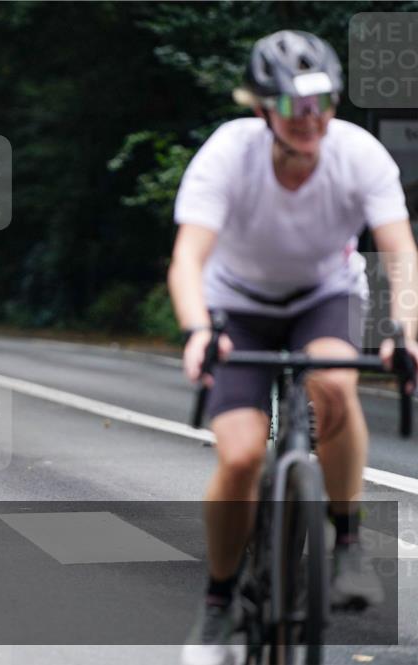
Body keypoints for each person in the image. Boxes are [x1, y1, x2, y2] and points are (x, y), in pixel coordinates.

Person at [169, 31, 418, 665]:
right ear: (262, 110)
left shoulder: (358, 155)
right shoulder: (229, 152)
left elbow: (400, 252)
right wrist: (200, 329)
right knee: (242, 455)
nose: (310, 120)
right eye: (292, 107)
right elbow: (188, 258)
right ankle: (220, 601)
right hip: (238, 306)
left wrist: (407, 333)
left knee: (334, 383)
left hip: (322, 296)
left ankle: (349, 543)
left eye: (323, 104)